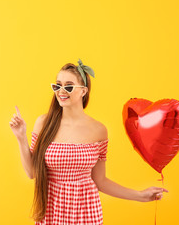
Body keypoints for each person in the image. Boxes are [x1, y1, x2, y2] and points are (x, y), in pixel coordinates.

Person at [9, 59, 169, 225]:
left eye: (69, 86)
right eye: (57, 85)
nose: (61, 91)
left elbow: (100, 181)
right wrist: (21, 136)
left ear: (83, 91)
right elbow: (32, 173)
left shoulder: (99, 130)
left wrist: (140, 195)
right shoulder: (43, 123)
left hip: (86, 211)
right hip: (51, 209)